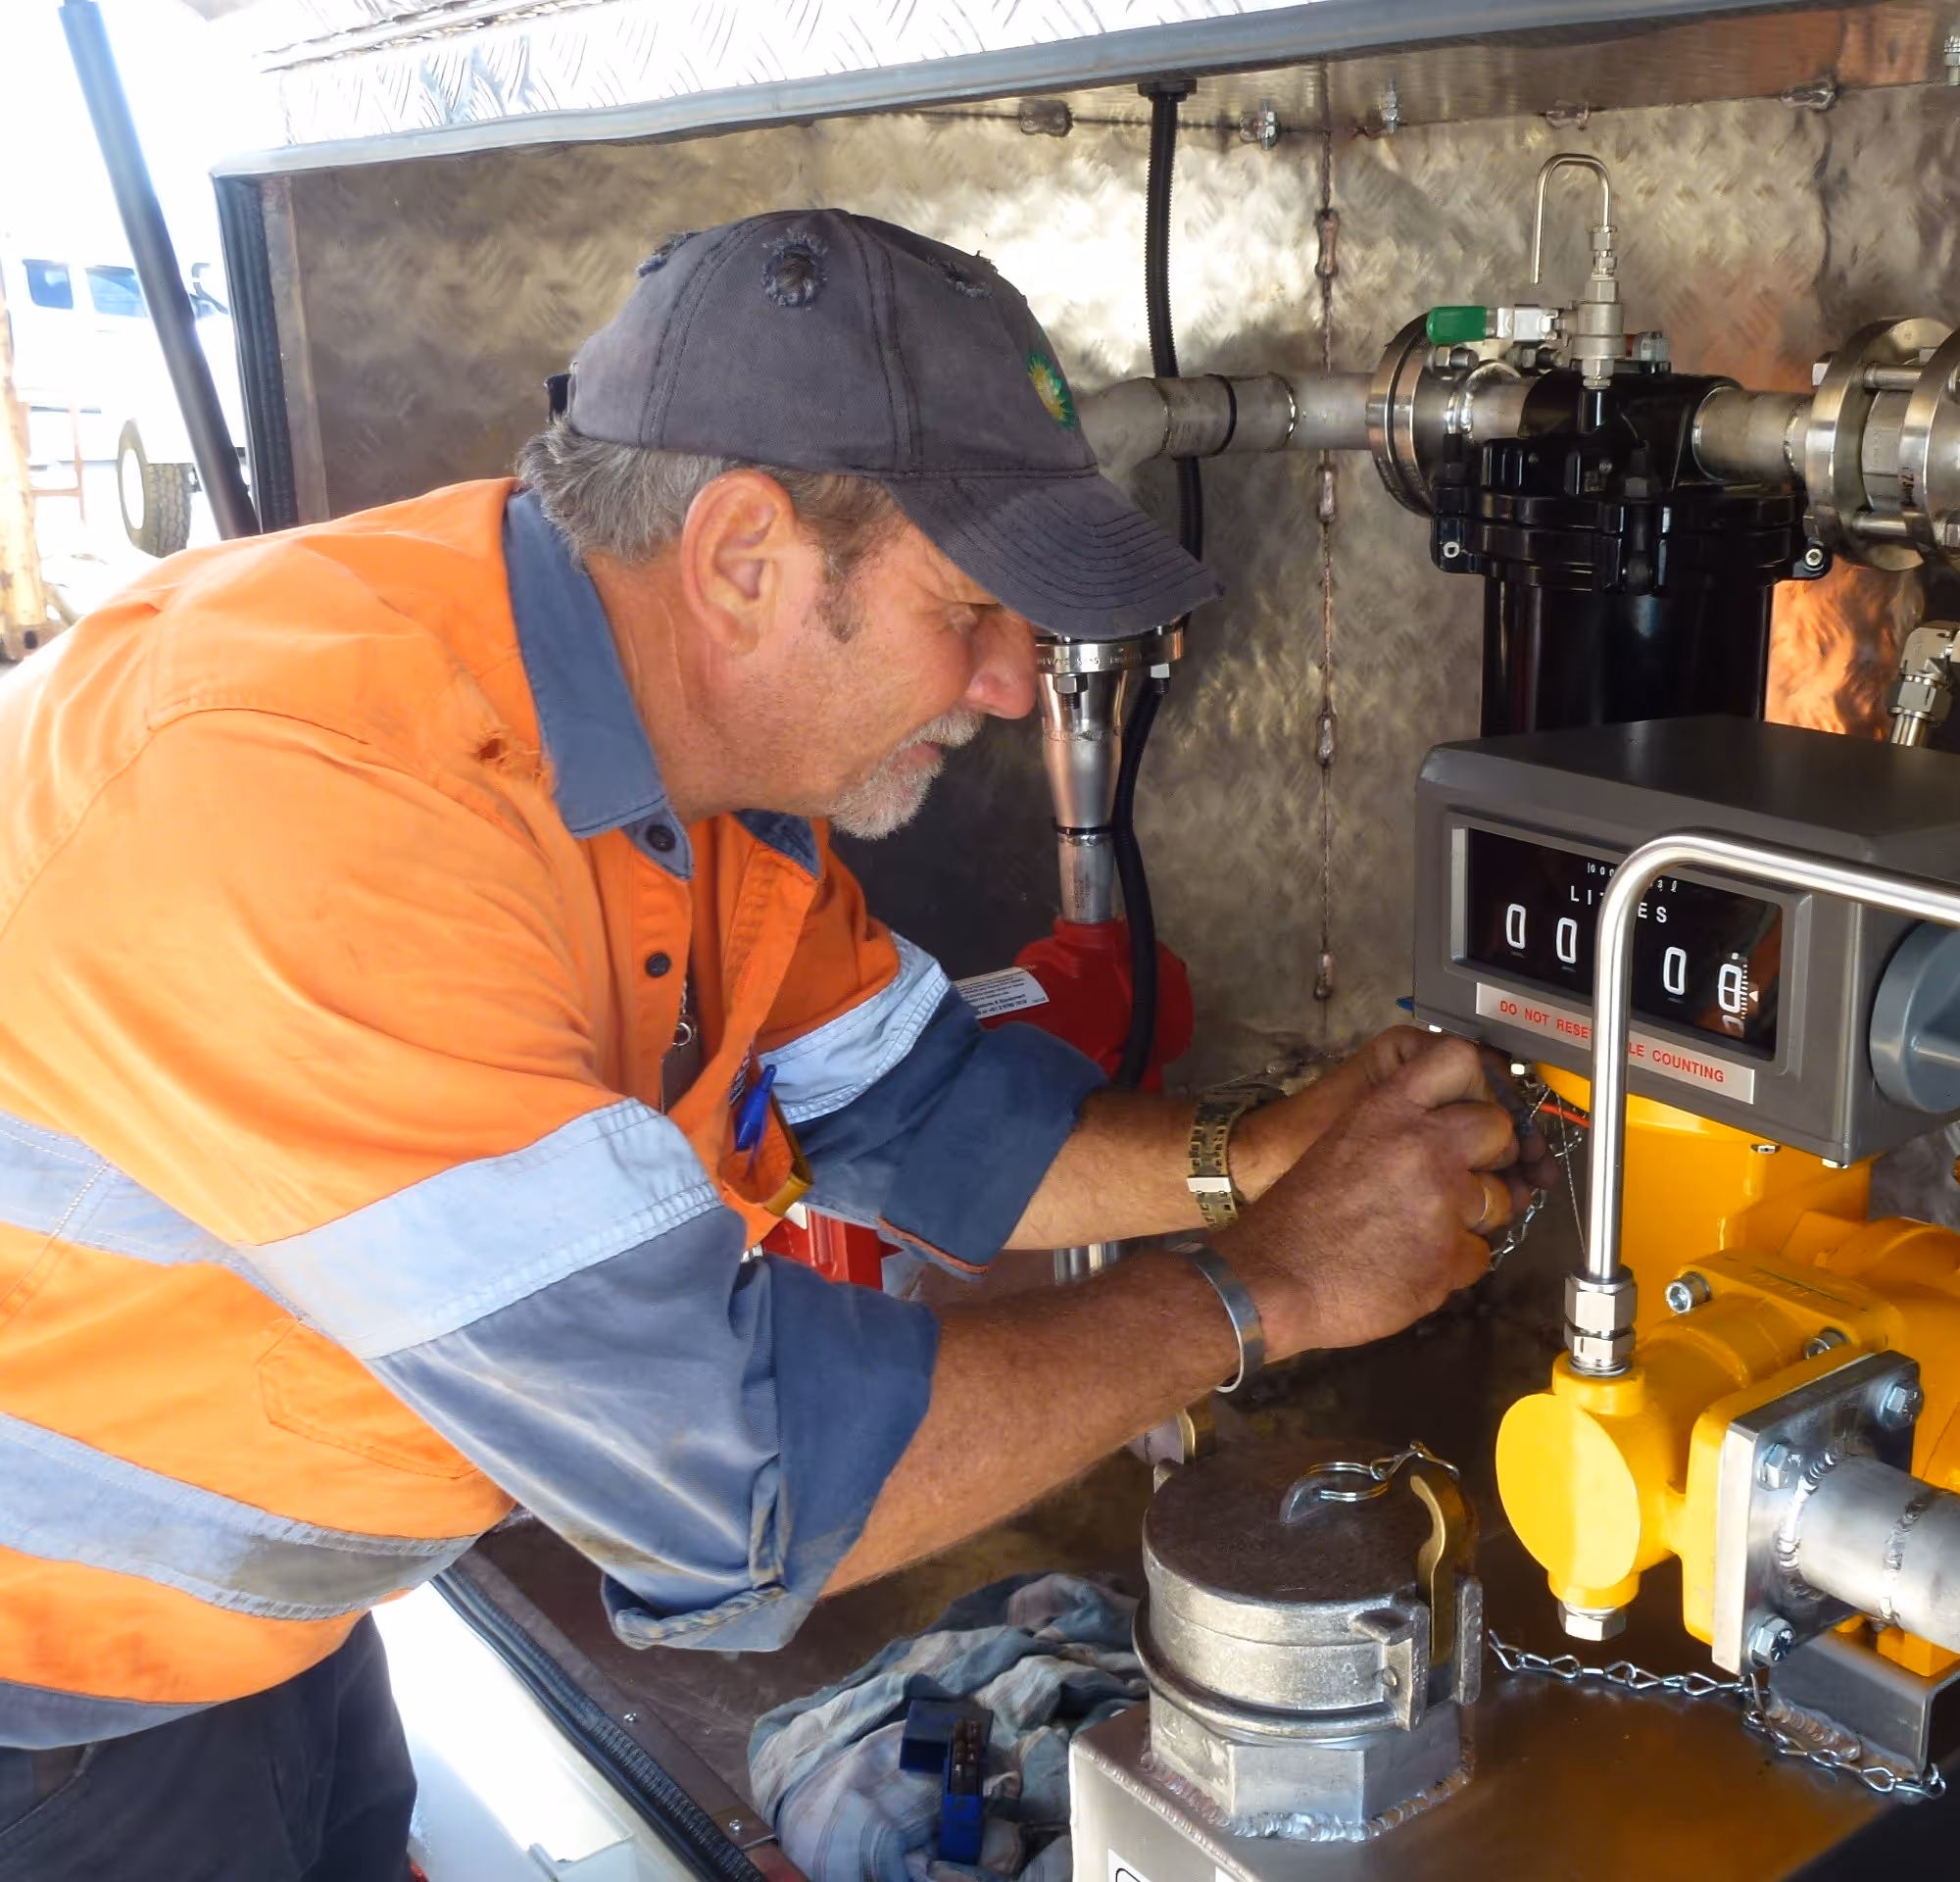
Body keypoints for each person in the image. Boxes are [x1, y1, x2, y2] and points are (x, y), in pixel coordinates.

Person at [0, 208, 1545, 1877]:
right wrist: (1274, 1288)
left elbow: (920, 1107)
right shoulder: (311, 803)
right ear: (745, 559)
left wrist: (1247, 1163)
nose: (1018, 683)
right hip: (44, 1700)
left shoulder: (686, 772)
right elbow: (730, 1494)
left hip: (253, 1639)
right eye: (972, 611)